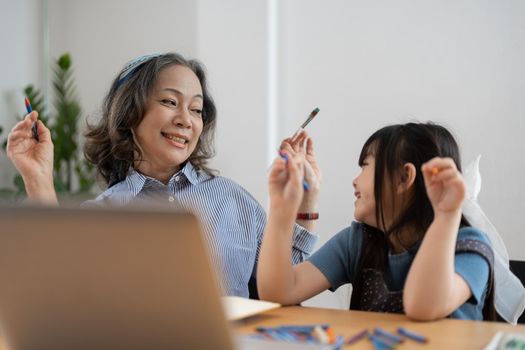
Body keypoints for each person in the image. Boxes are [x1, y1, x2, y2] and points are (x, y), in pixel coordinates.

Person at [6, 52, 321, 298]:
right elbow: (60, 293)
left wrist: (305, 205)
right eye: (170, 102)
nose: (186, 120)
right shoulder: (101, 215)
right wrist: (39, 178)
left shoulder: (235, 201)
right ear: (131, 113)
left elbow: (286, 289)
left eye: (196, 109)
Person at [258, 122, 495, 321]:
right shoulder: (358, 241)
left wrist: (445, 216)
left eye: (364, 167)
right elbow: (279, 291)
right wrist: (281, 209)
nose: (354, 180)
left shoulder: (469, 247)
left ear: (404, 178)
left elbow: (423, 307)